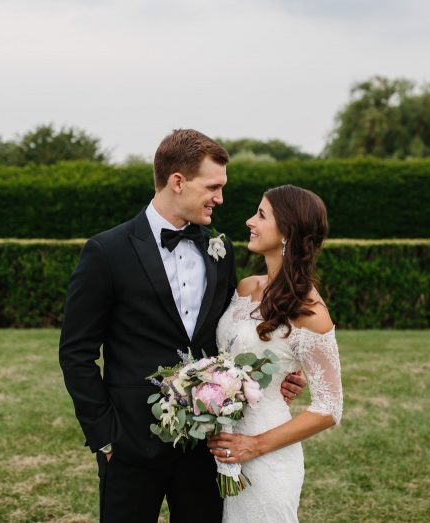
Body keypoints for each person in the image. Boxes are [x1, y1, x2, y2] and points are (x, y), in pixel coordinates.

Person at [59, 129, 307, 523]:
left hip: (205, 445)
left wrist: (278, 377)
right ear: (178, 181)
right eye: (213, 186)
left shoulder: (220, 250)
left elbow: (233, 336)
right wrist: (105, 435)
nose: (220, 198)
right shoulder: (106, 252)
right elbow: (75, 352)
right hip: (130, 443)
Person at [207, 185, 343, 522]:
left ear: (287, 231)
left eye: (262, 215)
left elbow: (329, 408)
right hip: (219, 447)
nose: (250, 221)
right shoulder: (245, 288)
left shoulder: (310, 312)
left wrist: (255, 445)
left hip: (267, 456)